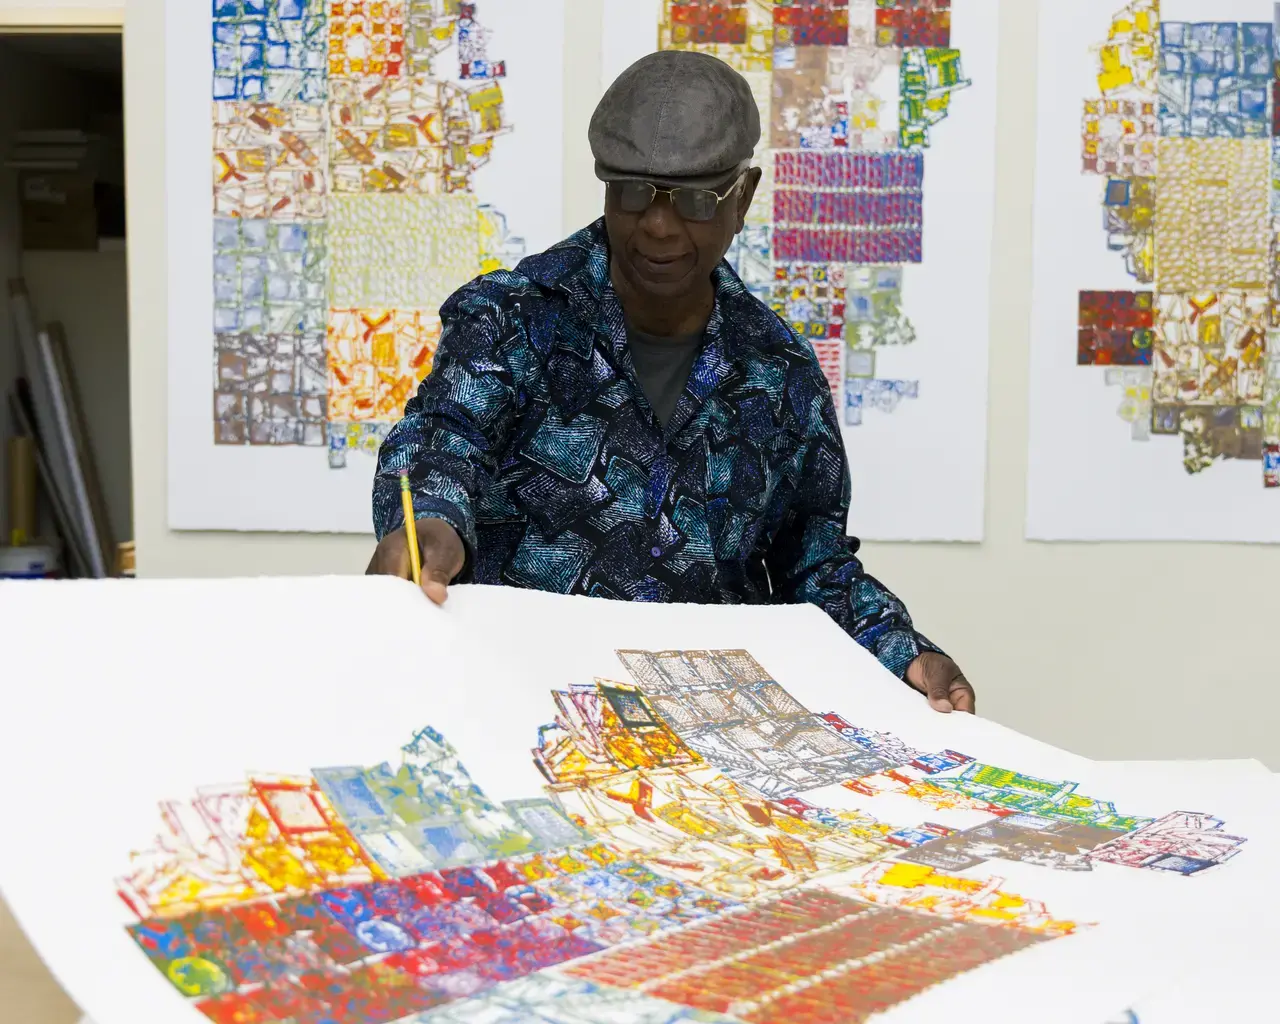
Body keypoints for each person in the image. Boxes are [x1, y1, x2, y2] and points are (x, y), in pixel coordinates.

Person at [368, 50, 975, 714]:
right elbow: (443, 436)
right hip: (517, 711)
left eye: (693, 200)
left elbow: (813, 561)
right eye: (633, 192)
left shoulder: (781, 374)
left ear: (742, 198)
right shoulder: (512, 316)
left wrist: (907, 653)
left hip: (709, 737)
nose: (658, 225)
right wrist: (431, 521)